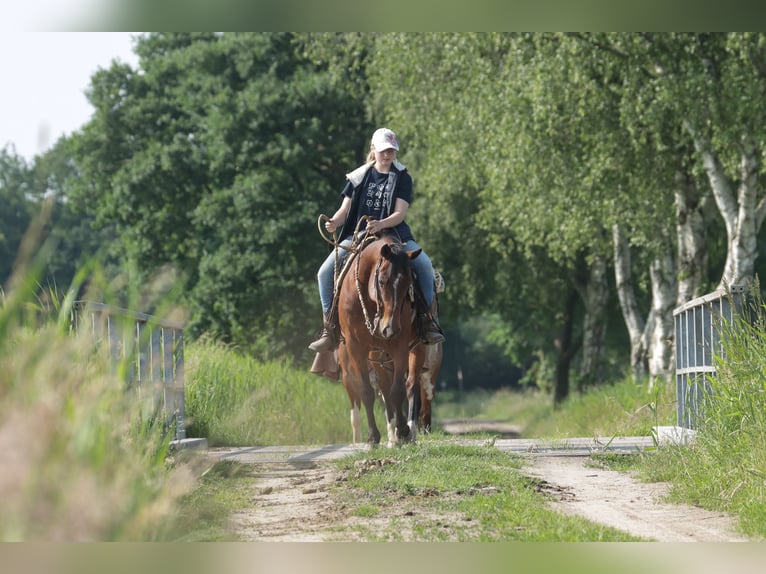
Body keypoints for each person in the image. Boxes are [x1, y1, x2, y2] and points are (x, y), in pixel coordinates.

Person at [309, 127, 445, 353]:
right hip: (359, 235)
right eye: (383, 150)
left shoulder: (402, 177)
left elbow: (400, 213)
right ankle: (329, 328)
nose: (387, 155)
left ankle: (427, 321)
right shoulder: (358, 177)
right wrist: (334, 221)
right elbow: (345, 210)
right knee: (323, 274)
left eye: (391, 150)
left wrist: (381, 224)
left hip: (395, 234)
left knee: (424, 265)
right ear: (373, 149)